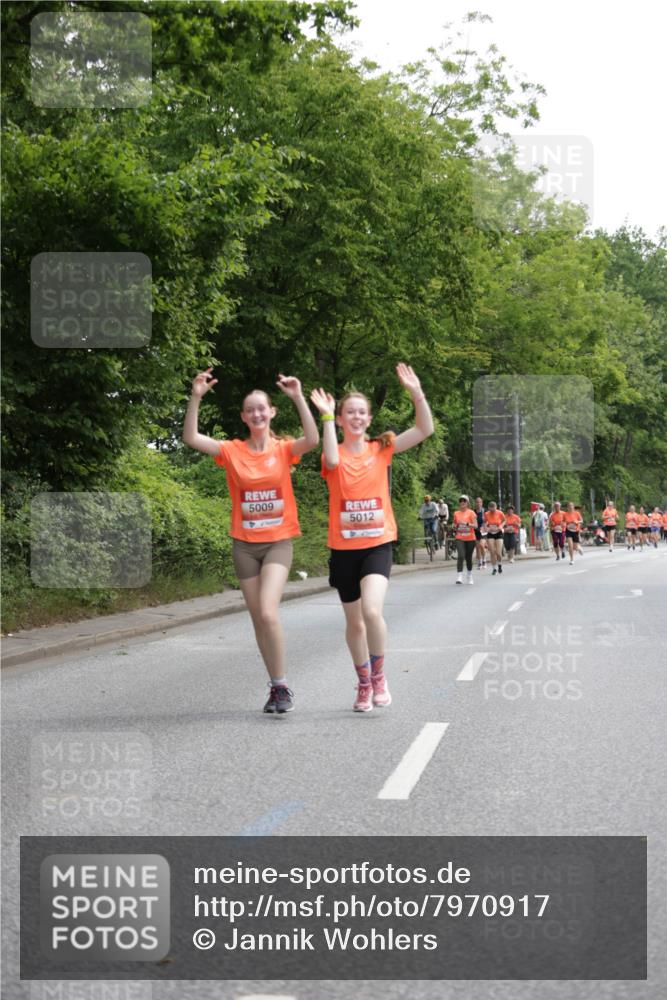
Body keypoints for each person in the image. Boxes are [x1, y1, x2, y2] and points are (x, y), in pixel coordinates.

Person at [182, 368, 319, 714]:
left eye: (263, 408)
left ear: (271, 412)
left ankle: (283, 686)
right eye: (250, 410)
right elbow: (192, 438)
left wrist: (298, 397)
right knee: (258, 617)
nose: (257, 414)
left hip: (277, 543)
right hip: (244, 545)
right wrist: (196, 396)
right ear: (244, 417)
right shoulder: (231, 451)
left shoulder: (284, 449)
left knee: (268, 611)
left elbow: (313, 440)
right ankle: (276, 686)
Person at [311, 363, 434, 713]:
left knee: (371, 609)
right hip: (344, 548)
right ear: (340, 419)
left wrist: (415, 391)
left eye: (362, 412)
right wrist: (324, 417)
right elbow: (333, 459)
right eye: (349, 412)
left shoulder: (382, 448)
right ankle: (363, 683)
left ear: (368, 418)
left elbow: (425, 428)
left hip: (377, 545)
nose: (356, 417)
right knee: (354, 622)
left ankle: (379, 677)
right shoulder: (330, 453)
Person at [452, 494, 477, 585]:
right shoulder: (456, 513)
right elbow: (454, 525)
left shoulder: (471, 513)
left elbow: (476, 525)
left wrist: (467, 524)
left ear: (467, 503)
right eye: (461, 501)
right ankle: (459, 576)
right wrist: (454, 526)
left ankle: (469, 575)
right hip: (460, 537)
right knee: (461, 555)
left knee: (468, 558)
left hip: (470, 537)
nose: (462, 502)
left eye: (464, 501)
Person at [484, 501, 506, 574]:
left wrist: (501, 526)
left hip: (498, 533)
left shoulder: (500, 513)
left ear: (496, 507)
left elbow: (505, 520)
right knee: (492, 552)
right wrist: (486, 528)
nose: (492, 511)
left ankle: (499, 564)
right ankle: (494, 568)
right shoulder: (487, 514)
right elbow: (485, 522)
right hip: (490, 533)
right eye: (491, 509)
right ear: (489, 508)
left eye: (493, 509)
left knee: (498, 552)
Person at [473, 497, 487, 569]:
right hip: (476, 531)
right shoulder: (473, 512)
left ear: (482, 503)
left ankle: (484, 560)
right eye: (477, 502)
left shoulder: (485, 511)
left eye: (480, 502)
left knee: (481, 545)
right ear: (475, 503)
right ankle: (479, 562)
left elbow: (488, 520)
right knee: (478, 547)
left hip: (483, 531)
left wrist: (485, 526)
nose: (478, 503)